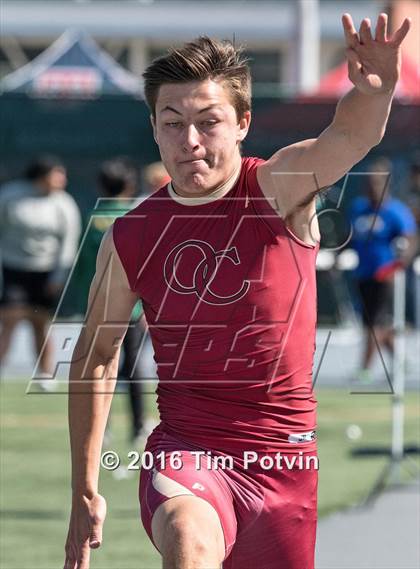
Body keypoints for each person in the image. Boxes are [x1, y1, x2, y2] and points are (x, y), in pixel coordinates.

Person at [64, 13, 411, 569]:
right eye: (172, 122)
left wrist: (376, 91)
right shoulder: (130, 236)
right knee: (189, 538)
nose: (190, 141)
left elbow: (347, 136)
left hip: (285, 466)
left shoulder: (278, 188)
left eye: (209, 121)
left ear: (243, 122)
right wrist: (85, 488)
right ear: (153, 127)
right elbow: (97, 356)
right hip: (186, 450)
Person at [72, 157, 150, 445]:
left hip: (99, 307)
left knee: (98, 367)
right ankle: (139, 426)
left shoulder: (92, 217)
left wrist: (83, 300)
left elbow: (82, 266)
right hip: (132, 309)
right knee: (133, 370)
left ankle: (100, 428)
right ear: (129, 185)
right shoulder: (137, 215)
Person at [0, 155, 81, 389]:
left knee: (41, 323)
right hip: (13, 269)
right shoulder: (10, 196)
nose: (62, 179)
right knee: (10, 320)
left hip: (45, 272)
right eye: (58, 174)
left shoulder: (63, 203)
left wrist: (58, 276)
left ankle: (45, 374)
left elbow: (69, 242)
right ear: (42, 176)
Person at [349, 157, 417, 382]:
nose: (372, 187)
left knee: (374, 323)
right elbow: (350, 239)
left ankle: (364, 369)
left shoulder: (396, 212)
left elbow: (410, 240)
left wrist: (398, 266)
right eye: (369, 183)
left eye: (377, 183)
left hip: (386, 276)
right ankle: (400, 360)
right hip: (363, 274)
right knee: (373, 322)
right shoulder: (358, 209)